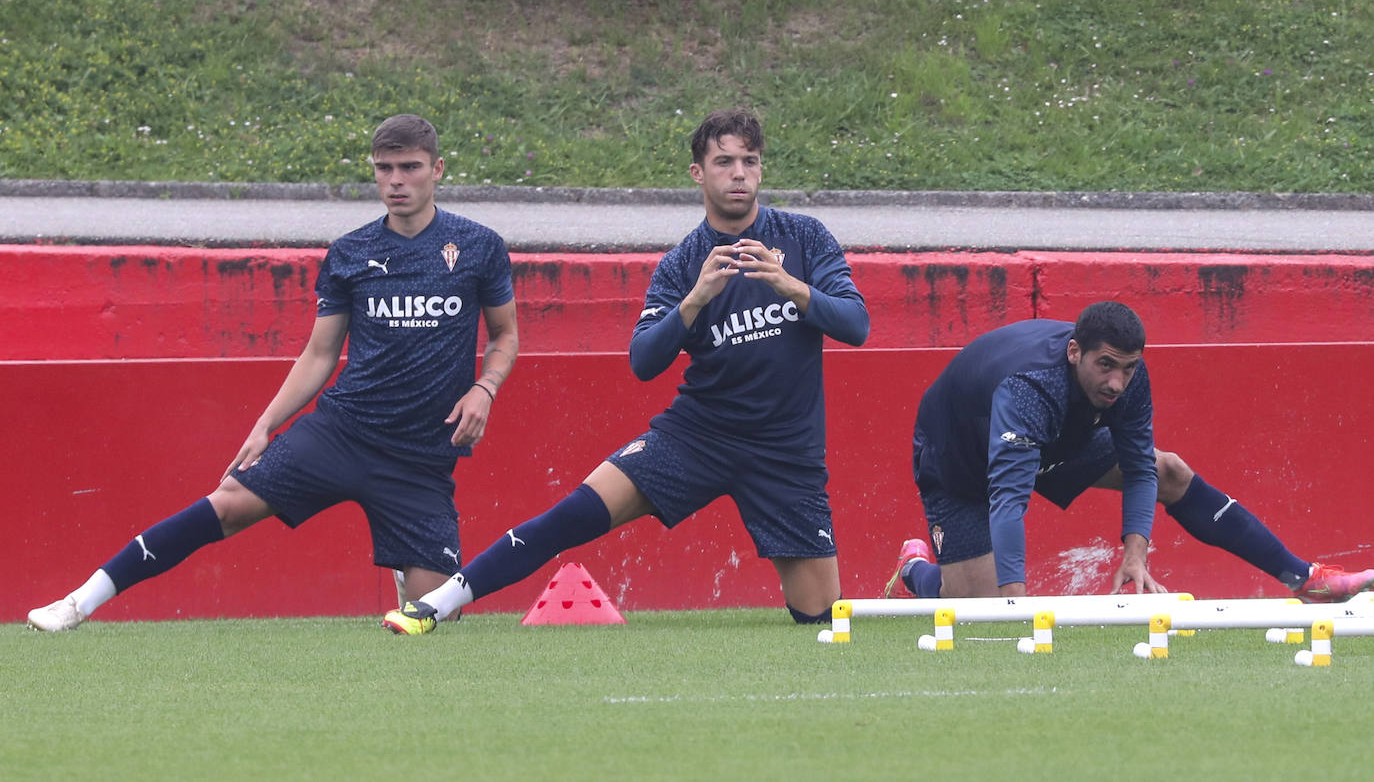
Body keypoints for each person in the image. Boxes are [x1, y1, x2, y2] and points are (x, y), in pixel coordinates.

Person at [381, 106, 870, 634]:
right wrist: (694, 300)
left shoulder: (803, 237)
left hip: (786, 453)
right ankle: (438, 603)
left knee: (819, 617)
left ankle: (912, 568)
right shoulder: (684, 263)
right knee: (572, 514)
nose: (738, 174)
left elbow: (856, 324)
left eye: (749, 161)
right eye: (724, 161)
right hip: (698, 435)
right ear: (697, 174)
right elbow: (643, 362)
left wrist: (789, 286)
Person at [27, 114, 519, 631]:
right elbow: (319, 353)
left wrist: (484, 388)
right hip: (342, 431)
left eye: (410, 167)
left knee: (438, 615)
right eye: (385, 168)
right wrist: (266, 424)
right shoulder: (352, 252)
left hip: (421, 456)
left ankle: (409, 568)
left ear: (437, 169)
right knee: (228, 503)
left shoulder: (478, 246)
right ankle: (78, 602)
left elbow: (505, 336)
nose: (396, 180)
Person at [883, 301, 1374, 603]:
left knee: (1169, 470)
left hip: (1052, 438)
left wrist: (1135, 555)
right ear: (1075, 352)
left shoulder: (1126, 377)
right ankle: (916, 571)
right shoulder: (1031, 387)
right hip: (960, 458)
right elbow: (1008, 500)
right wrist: (1017, 603)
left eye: (1128, 367)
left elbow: (1141, 469)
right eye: (1106, 365)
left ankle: (1304, 578)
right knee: (981, 605)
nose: (1117, 382)